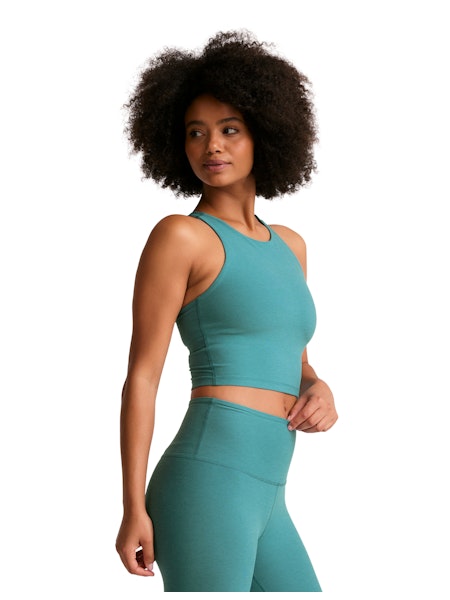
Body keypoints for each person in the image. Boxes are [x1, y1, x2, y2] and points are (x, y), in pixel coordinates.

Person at [115, 30, 338, 592]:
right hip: (207, 481)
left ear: (265, 133)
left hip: (272, 491)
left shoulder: (291, 246)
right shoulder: (181, 237)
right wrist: (133, 506)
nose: (211, 145)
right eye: (196, 132)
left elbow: (293, 359)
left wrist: (318, 386)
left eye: (229, 129)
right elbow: (142, 377)